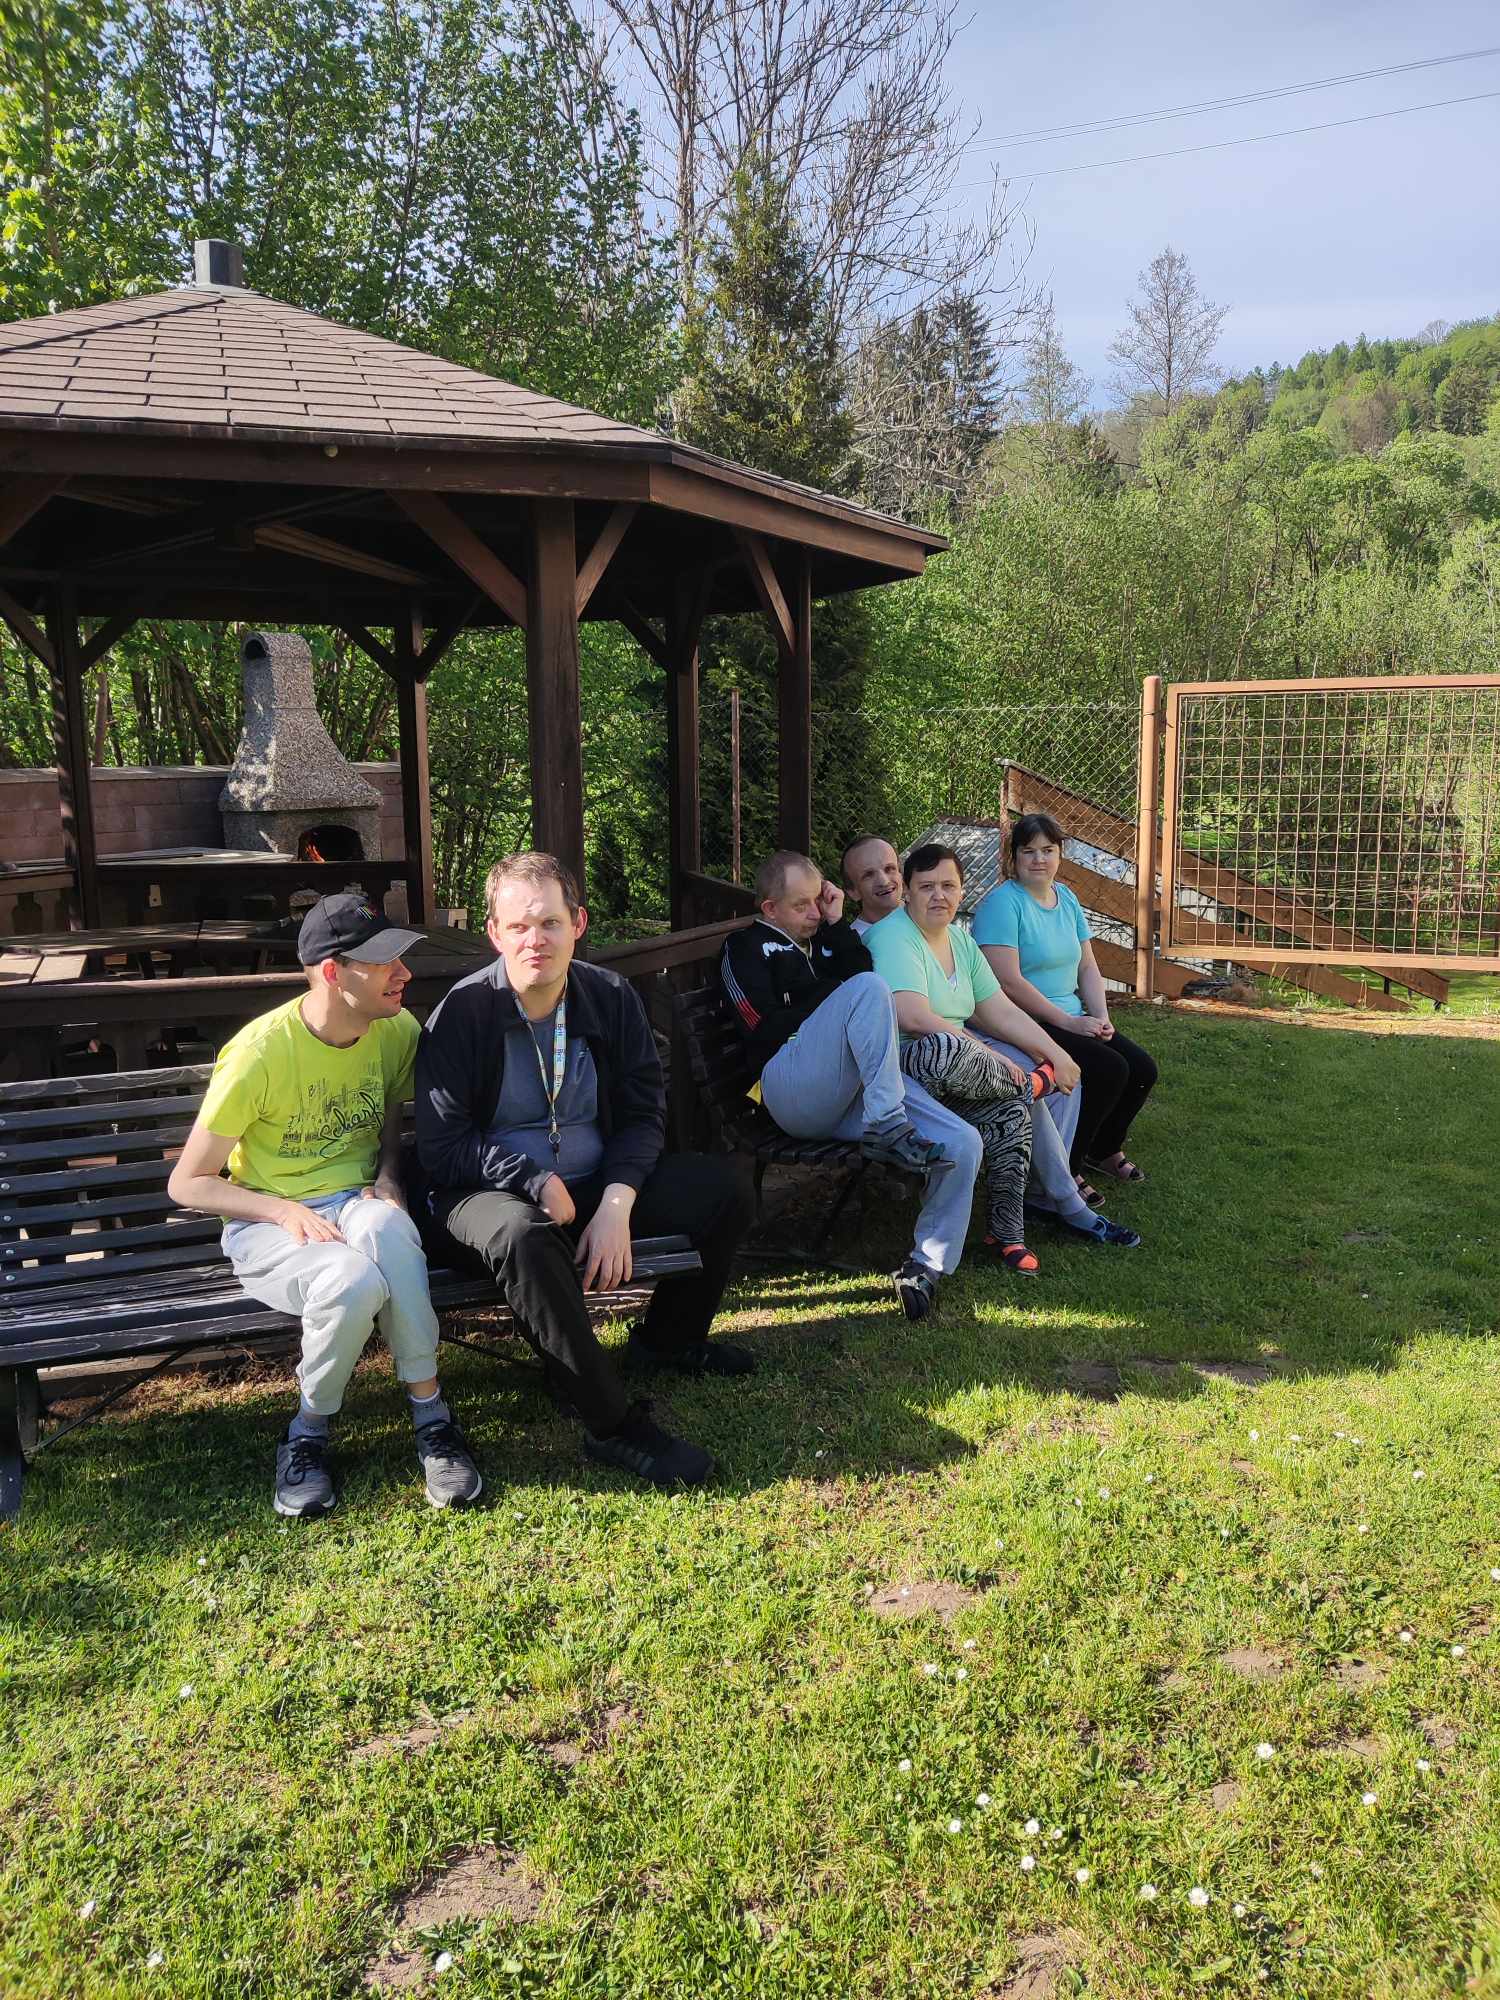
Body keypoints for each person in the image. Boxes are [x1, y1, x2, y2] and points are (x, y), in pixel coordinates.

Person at [415, 851, 752, 1491]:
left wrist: (618, 1202)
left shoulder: (610, 997)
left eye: (549, 922)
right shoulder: (463, 1013)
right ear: (494, 933)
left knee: (722, 1190)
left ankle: (667, 1340)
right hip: (482, 1193)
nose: (535, 940)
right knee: (523, 1235)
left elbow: (643, 1113)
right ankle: (612, 1423)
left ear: (579, 924)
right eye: (518, 926)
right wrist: (534, 1180)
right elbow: (443, 1146)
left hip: (593, 1185)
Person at [167, 892, 482, 1520]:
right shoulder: (258, 1054)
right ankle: (306, 1434)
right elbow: (188, 1183)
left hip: (354, 1203)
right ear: (335, 972)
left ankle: (432, 1419)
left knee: (390, 1230)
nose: (404, 973)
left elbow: (389, 1118)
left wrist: (389, 1178)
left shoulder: (394, 1030)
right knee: (350, 1279)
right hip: (267, 1223)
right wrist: (284, 1213)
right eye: (384, 962)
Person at [843, 835, 1139, 1253]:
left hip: (964, 1054)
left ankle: (1043, 1194)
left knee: (1053, 1078)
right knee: (1022, 1088)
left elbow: (997, 1008)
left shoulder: (958, 939)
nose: (939, 895)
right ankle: (1066, 1203)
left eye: (949, 886)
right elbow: (912, 1016)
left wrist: (1056, 1053)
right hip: (916, 1065)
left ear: (963, 891)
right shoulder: (893, 936)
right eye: (927, 887)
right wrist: (993, 1056)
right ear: (908, 892)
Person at [720, 848, 980, 1323]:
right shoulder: (746, 947)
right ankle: (888, 1123)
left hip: (855, 1090)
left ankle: (926, 1264)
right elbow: (761, 1027)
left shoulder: (824, 939)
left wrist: (837, 924)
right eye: (801, 905)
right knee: (866, 988)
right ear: (770, 909)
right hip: (789, 1089)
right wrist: (833, 1006)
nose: (814, 913)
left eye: (818, 900)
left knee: (963, 1141)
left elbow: (861, 971)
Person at [973, 812, 1158, 1182]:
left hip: (1072, 1016)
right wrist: (1069, 1022)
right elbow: (1008, 982)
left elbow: (1087, 966)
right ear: (1013, 857)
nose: (1039, 859)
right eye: (1029, 851)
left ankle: (1102, 1149)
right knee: (1109, 1069)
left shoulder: (1067, 899)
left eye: (1048, 850)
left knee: (1142, 1069)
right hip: (1027, 1020)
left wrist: (1101, 1017)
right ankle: (1065, 1170)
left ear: (1060, 853)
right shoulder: (1002, 904)